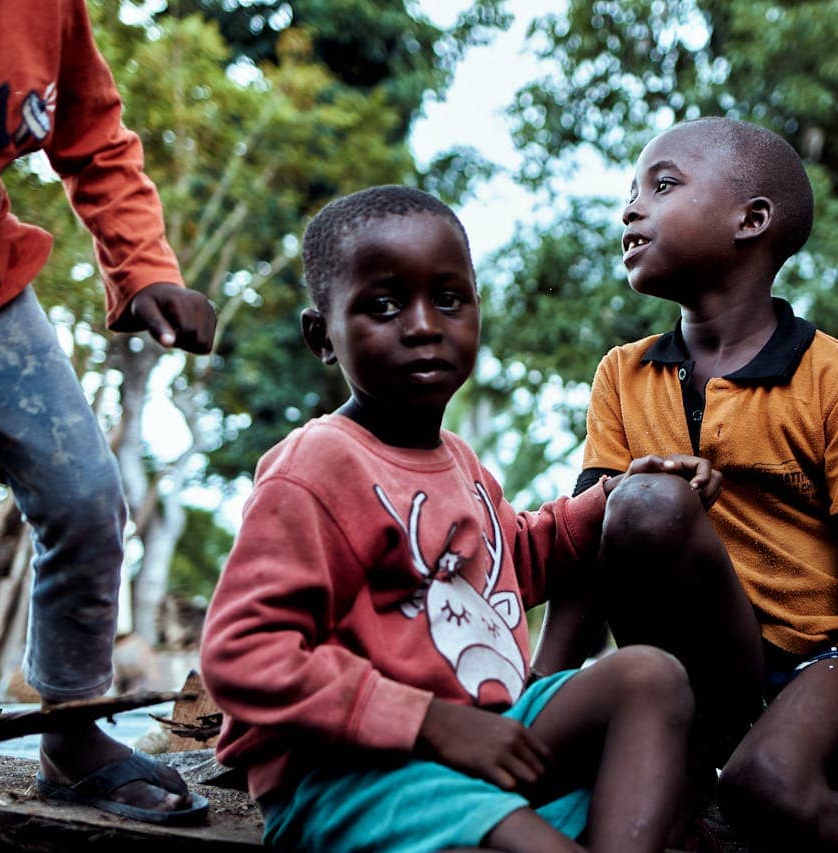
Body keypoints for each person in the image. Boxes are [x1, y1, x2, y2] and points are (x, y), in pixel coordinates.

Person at [200, 186, 711, 852]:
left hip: (476, 738)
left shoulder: (459, 461)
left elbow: (513, 560)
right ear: (321, 335)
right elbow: (242, 651)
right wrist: (428, 721)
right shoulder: (319, 464)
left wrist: (610, 501)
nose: (422, 325)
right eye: (382, 305)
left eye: (448, 299)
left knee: (650, 677)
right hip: (354, 773)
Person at [534, 117, 838, 851]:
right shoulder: (623, 374)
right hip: (697, 665)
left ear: (752, 220)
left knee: (766, 784)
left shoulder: (837, 379)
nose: (630, 208)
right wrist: (533, 701)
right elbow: (587, 555)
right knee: (639, 503)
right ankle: (684, 749)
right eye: (630, 190)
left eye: (663, 184)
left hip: (823, 658)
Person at [0, 0, 215, 824]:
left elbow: (93, 134)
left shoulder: (40, 8)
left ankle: (71, 738)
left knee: (82, 495)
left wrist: (144, 267)